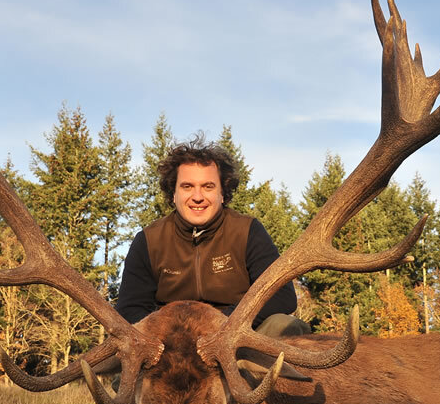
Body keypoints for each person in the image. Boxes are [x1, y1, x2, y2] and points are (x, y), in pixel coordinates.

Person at [116, 137, 309, 337]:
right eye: (187, 187)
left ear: (223, 194)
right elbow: (130, 310)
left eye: (208, 187)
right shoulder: (149, 240)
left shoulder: (247, 231)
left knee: (285, 325)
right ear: (173, 194)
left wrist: (219, 324)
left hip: (236, 337)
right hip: (169, 343)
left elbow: (281, 297)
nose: (197, 196)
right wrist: (175, 331)